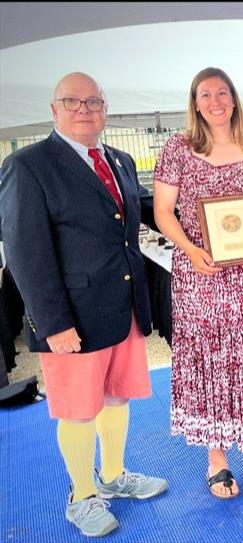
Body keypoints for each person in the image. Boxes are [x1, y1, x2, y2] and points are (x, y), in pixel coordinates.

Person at [0, 72, 167, 537]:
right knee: (77, 409)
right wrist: (53, 323)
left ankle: (113, 477)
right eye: (72, 101)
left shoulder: (120, 159)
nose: (84, 109)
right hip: (71, 319)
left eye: (94, 101)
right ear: (54, 110)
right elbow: (25, 252)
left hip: (123, 308)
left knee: (117, 398)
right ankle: (82, 495)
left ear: (106, 110)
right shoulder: (28, 165)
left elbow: (136, 214)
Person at [152, 67, 243, 498]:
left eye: (222, 93)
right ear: (195, 102)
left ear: (234, 99)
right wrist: (192, 251)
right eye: (205, 94)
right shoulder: (178, 148)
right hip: (200, 274)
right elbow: (162, 213)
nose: (215, 101)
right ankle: (216, 456)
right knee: (210, 359)